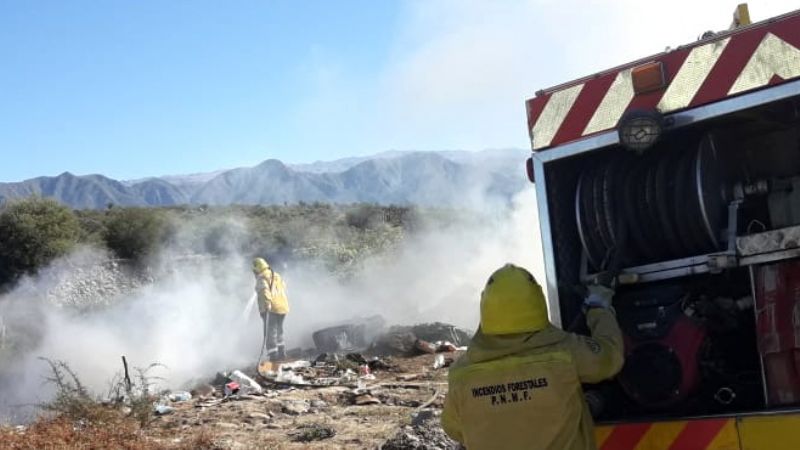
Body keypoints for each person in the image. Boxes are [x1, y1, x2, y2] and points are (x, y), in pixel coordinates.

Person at [441, 263, 624, 450]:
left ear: (486, 308)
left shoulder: (461, 374)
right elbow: (610, 359)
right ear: (538, 302)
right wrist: (599, 309)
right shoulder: (566, 352)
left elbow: (453, 428)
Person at [252, 257, 290, 362]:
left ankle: (273, 355)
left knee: (270, 332)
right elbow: (284, 287)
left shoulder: (262, 278)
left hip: (271, 308)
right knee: (279, 330)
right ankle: (282, 352)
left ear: (257, 269)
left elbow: (265, 292)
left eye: (254, 271)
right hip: (283, 306)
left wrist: (267, 305)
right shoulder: (276, 275)